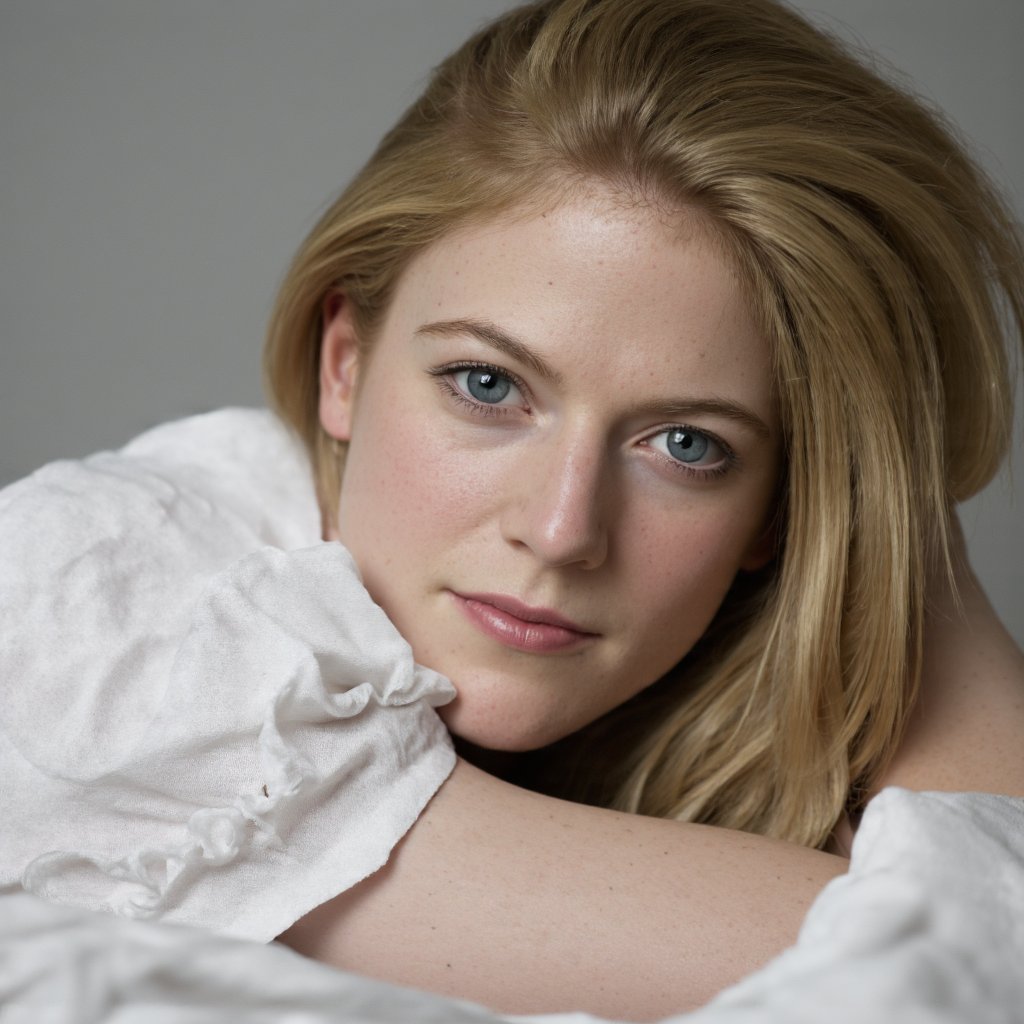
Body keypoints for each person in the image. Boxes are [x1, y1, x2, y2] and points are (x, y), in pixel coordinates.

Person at [1, 0, 1021, 1020]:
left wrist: (883, 506)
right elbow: (981, 967)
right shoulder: (98, 603)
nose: (563, 529)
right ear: (344, 364)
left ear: (779, 512)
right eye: (487, 386)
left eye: (686, 445)